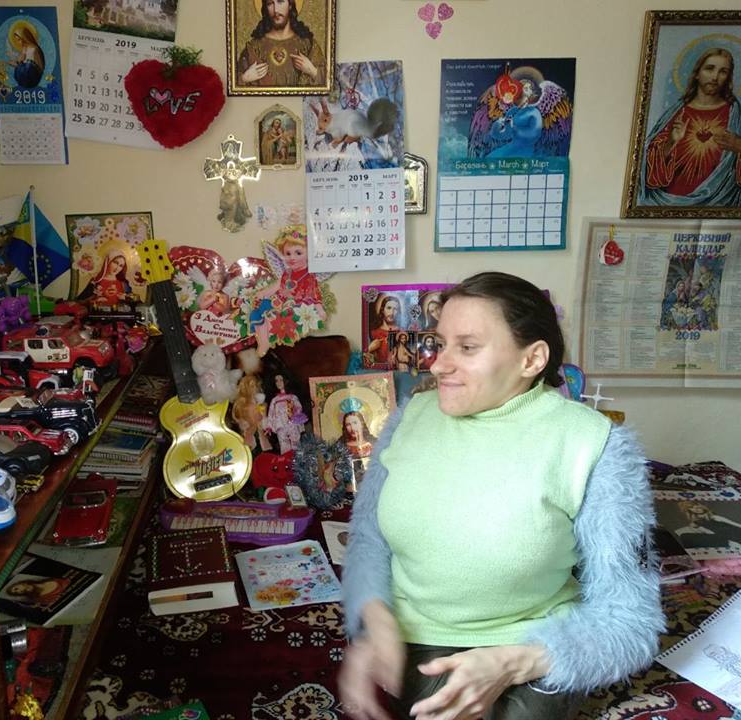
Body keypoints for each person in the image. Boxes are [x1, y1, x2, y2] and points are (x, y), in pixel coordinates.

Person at [339, 271, 663, 720]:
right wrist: (373, 618)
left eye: (468, 347)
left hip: (530, 648)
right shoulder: (409, 418)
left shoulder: (594, 445)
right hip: (415, 641)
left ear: (532, 360)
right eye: (440, 343)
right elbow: (368, 539)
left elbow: (631, 619)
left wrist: (516, 662)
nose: (438, 365)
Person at [642, 47, 741, 208]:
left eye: (723, 72)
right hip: (670, 204)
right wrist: (671, 142)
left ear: (728, 78)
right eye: (709, 68)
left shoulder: (738, 115)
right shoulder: (676, 113)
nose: (715, 77)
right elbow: (645, 167)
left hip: (723, 204)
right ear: (697, 73)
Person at [250, 225, 325, 353]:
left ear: (309, 254)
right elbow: (276, 287)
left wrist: (320, 309)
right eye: (288, 253)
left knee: (273, 315)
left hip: (297, 307)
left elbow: (315, 294)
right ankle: (263, 342)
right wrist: (262, 293)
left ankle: (271, 339)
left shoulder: (309, 275)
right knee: (257, 311)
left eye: (298, 253)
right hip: (280, 303)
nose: (292, 258)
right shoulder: (287, 273)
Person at [237, 0, 325, 88]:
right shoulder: (254, 47)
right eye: (270, 3)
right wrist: (244, 78)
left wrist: (312, 71)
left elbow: (327, 81)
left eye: (280, 1)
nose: (276, 10)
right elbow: (234, 82)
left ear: (290, 5)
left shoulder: (307, 44)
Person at [263, 373, 305, 455]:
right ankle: (286, 460)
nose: (278, 383)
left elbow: (299, 407)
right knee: (284, 446)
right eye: (276, 381)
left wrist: (296, 414)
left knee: (296, 444)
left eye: (281, 380)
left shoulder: (292, 397)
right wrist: (269, 426)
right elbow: (271, 413)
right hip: (280, 426)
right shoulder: (275, 400)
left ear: (286, 381)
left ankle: (299, 460)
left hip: (292, 424)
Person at [367, 295, 402, 364]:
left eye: (395, 309)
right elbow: (369, 361)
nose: (392, 313)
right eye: (389, 308)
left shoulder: (402, 332)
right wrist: (370, 348)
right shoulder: (374, 332)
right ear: (382, 310)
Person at [10, 22, 45, 89]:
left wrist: (20, 65)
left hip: (32, 75)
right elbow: (20, 60)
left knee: (28, 66)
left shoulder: (35, 49)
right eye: (17, 40)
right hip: (23, 75)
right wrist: (16, 63)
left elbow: (39, 66)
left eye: (19, 39)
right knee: (25, 67)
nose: (18, 42)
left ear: (25, 38)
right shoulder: (24, 48)